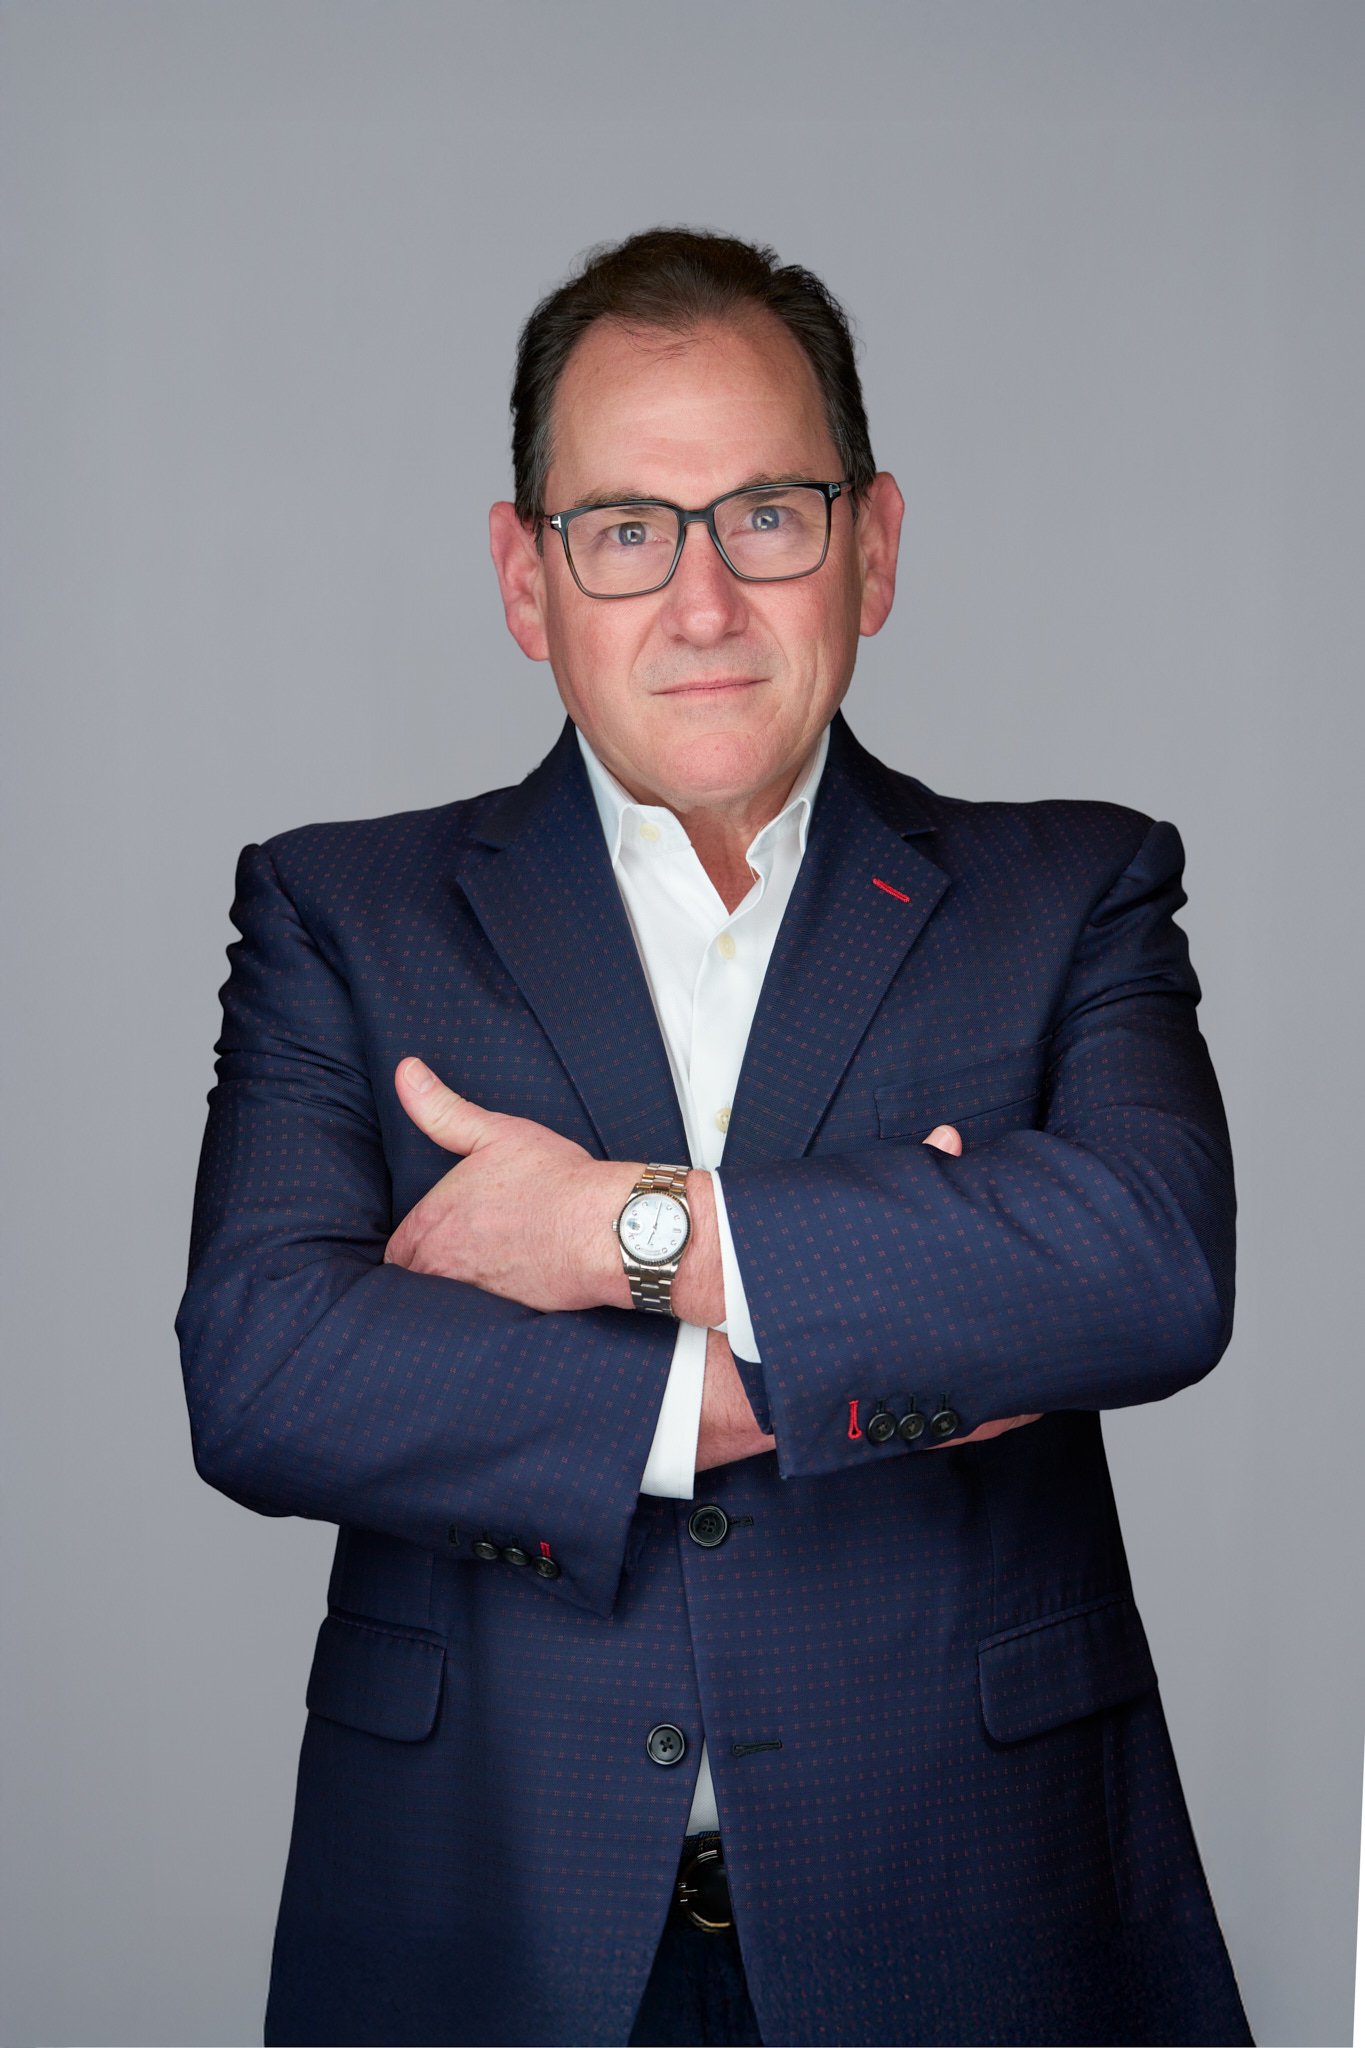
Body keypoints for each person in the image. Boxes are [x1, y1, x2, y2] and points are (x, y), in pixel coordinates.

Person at [177, 227, 1252, 2048]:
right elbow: (268, 1371)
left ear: (875, 546)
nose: (701, 602)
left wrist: (618, 1238)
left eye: (767, 514)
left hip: (971, 1918)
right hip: (485, 1915)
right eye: (625, 530)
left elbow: (1145, 1262)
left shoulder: (1069, 890)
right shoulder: (341, 916)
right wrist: (837, 1341)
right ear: (528, 578)